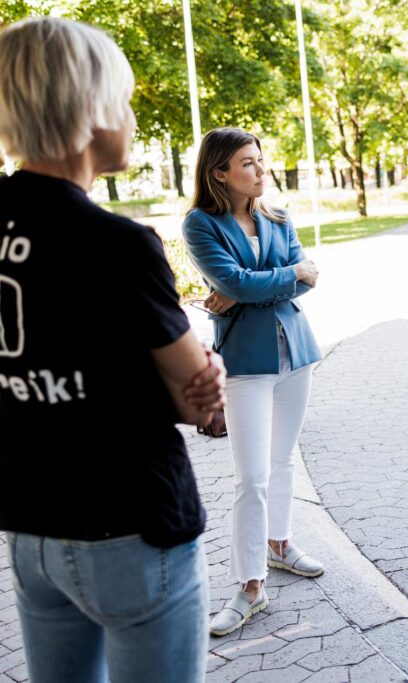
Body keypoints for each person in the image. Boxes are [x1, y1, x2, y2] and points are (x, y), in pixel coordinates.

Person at [0, 17, 226, 683]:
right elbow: (199, 394)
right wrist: (203, 385)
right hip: (132, 529)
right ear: (90, 108)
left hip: (30, 526)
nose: (130, 116)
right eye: (124, 101)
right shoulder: (116, 242)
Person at [183, 127, 323, 636]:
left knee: (283, 461)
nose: (262, 169)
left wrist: (246, 288)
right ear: (220, 172)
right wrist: (270, 281)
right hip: (246, 361)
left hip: (297, 353)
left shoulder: (278, 215)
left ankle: (280, 545)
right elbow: (242, 281)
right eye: (248, 162)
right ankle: (249, 586)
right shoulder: (200, 224)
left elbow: (303, 276)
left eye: (261, 160)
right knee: (252, 478)